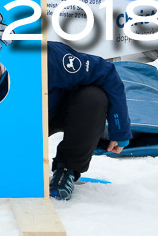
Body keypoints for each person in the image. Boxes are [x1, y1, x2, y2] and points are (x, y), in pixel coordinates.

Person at [47, 42, 132, 200]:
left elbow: (105, 73)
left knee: (93, 97)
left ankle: (66, 169)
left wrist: (119, 128)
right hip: (11, 123)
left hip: (49, 112)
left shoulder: (50, 56)